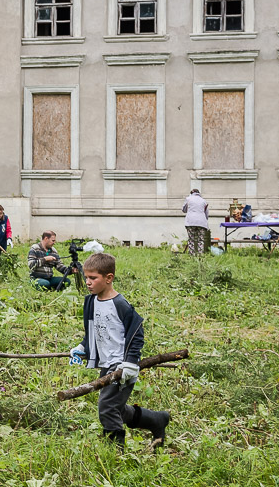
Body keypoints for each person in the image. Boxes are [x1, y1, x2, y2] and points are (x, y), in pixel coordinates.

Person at [68, 252, 170, 449]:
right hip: (106, 363)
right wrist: (83, 348)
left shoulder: (119, 304)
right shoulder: (91, 301)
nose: (87, 282)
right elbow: (93, 330)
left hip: (121, 365)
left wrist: (131, 363)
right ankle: (156, 420)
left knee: (106, 408)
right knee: (117, 409)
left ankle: (115, 453)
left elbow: (137, 332)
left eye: (93, 278)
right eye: (86, 277)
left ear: (108, 278)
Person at [182, 188, 209, 257]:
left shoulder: (188, 199)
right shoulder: (204, 201)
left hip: (190, 222)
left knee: (191, 239)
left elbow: (184, 210)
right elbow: (206, 213)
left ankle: (192, 255)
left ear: (191, 193)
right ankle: (200, 255)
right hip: (201, 222)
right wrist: (205, 220)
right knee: (200, 239)